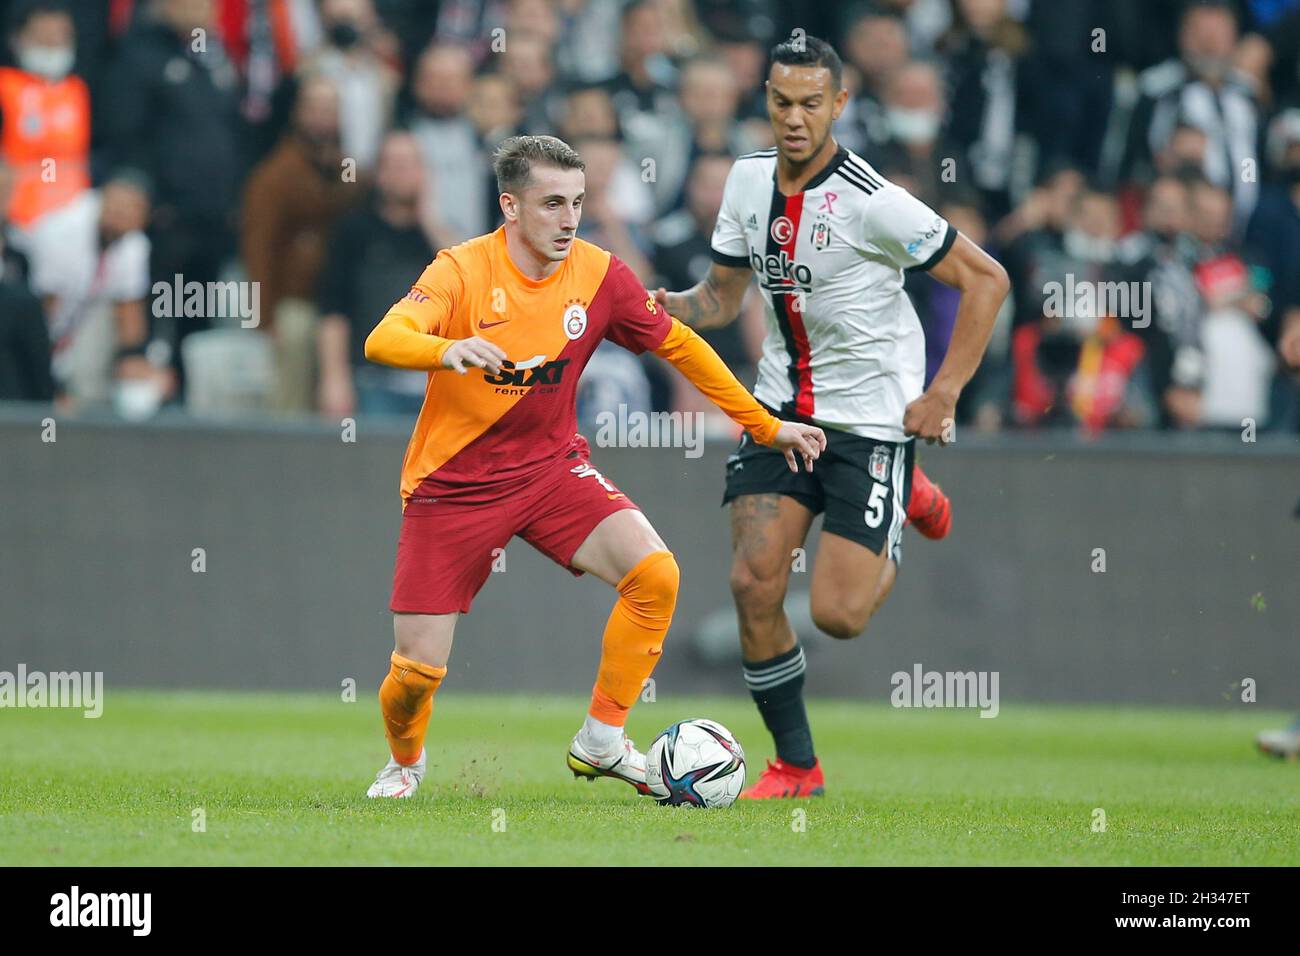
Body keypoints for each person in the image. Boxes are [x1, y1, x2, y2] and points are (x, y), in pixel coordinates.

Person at [360, 134, 825, 799]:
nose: (569, 219)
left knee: (655, 575)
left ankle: (601, 741)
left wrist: (765, 425)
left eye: (577, 202)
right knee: (413, 678)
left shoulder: (600, 274)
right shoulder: (460, 270)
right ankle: (405, 762)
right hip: (452, 487)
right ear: (510, 207)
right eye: (552, 204)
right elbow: (383, 338)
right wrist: (448, 350)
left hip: (550, 471)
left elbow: (683, 346)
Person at [655, 36, 1009, 799]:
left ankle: (904, 501)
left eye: (812, 102)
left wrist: (943, 394)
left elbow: (988, 279)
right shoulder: (746, 183)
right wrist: (659, 307)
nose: (794, 117)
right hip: (780, 411)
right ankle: (796, 765)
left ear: (839, 105)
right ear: (767, 103)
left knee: (840, 614)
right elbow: (720, 299)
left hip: (873, 422)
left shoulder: (874, 200)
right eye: (782, 101)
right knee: (753, 582)